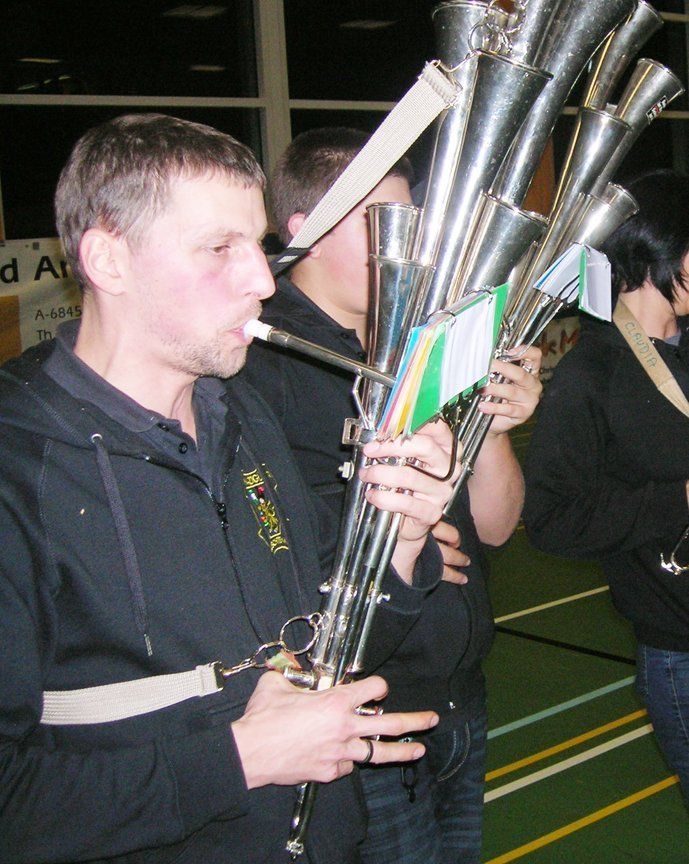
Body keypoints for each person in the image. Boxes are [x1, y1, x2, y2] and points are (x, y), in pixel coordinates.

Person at [0, 113, 468, 864]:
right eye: (220, 248)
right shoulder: (18, 467)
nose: (262, 280)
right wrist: (241, 760)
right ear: (108, 260)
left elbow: (331, 642)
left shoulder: (241, 416)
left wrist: (400, 541)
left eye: (257, 244)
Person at [242, 127, 543, 863]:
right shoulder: (255, 366)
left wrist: (492, 427)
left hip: (458, 699)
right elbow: (265, 554)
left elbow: (495, 529)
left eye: (413, 223)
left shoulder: (419, 345)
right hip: (360, 720)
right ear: (307, 230)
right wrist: (394, 537)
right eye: (384, 224)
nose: (412, 249)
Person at [523, 169, 689, 803]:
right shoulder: (593, 372)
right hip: (679, 648)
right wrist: (679, 500)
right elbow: (552, 520)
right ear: (658, 252)